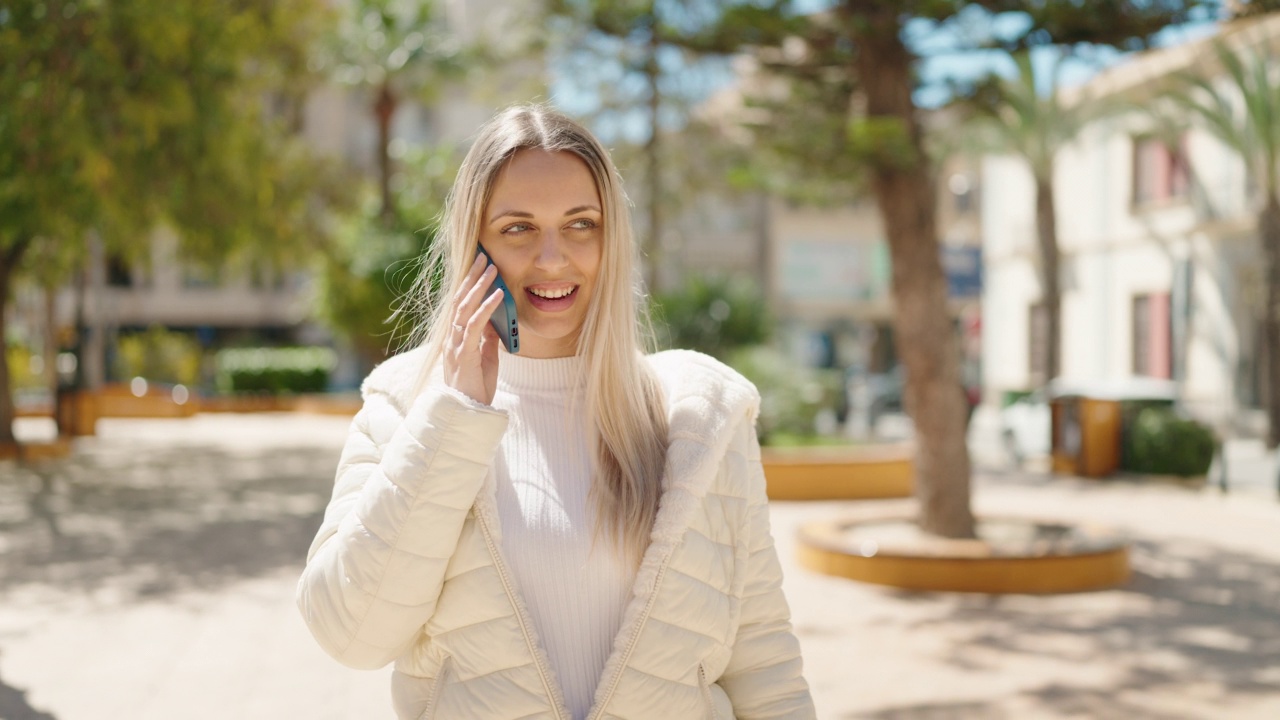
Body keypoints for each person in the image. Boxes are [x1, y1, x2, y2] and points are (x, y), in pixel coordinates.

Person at [296, 104, 816, 720]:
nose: (552, 259)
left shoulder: (703, 417)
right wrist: (454, 414)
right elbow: (350, 634)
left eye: (580, 224)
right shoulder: (405, 404)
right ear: (475, 244)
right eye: (518, 228)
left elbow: (765, 664)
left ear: (612, 236)